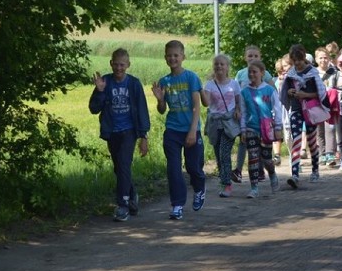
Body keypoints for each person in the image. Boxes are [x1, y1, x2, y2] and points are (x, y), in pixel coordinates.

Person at [89, 48, 151, 222]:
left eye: (122, 65)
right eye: (115, 64)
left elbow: (142, 110)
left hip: (129, 132)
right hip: (111, 132)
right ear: (111, 63)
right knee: (119, 168)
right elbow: (94, 109)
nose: (118, 68)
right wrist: (99, 91)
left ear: (128, 65)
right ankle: (132, 194)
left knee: (124, 164)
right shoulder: (105, 82)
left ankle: (122, 205)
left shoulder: (134, 84)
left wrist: (143, 136)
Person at [151, 40, 206, 220]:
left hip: (191, 129)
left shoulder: (191, 78)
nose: (172, 58)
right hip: (172, 130)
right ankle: (177, 204)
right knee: (173, 169)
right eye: (169, 55)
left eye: (176, 55)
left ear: (183, 57)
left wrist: (192, 131)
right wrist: (160, 100)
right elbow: (162, 110)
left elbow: (197, 107)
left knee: (193, 168)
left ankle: (199, 188)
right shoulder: (164, 81)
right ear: (165, 57)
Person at [280, 44, 326, 188]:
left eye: (299, 60)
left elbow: (320, 93)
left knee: (312, 142)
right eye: (295, 61)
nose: (297, 63)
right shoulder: (291, 74)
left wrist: (305, 95)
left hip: (310, 110)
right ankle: (295, 174)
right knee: (296, 140)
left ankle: (315, 169)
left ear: (304, 58)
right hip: (296, 109)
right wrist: (290, 92)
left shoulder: (313, 73)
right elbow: (285, 91)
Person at [201, 53, 244, 198]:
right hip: (214, 122)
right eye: (216, 64)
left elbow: (239, 101)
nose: (219, 66)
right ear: (213, 67)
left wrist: (238, 110)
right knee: (219, 155)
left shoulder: (234, 84)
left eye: (222, 64)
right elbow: (206, 103)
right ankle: (224, 179)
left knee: (224, 152)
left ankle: (226, 184)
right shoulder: (209, 85)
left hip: (229, 122)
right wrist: (200, 91)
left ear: (227, 67)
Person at [241, 60, 283, 198]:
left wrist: (278, 128)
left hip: (266, 129)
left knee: (266, 159)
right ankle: (254, 188)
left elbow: (277, 109)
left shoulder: (269, 90)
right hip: (251, 128)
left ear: (262, 73)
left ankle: (272, 174)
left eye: (255, 72)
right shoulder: (245, 92)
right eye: (250, 72)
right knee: (252, 157)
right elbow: (243, 112)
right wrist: (243, 130)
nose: (252, 74)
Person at [232, 46, 274, 183]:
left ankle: (260, 169)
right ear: (245, 57)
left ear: (260, 58)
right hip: (246, 113)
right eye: (250, 56)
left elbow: (273, 90)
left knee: (260, 142)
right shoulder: (240, 74)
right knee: (243, 141)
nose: (252, 58)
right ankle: (238, 170)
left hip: (261, 114)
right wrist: (237, 108)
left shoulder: (265, 73)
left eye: (256, 56)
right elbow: (235, 93)